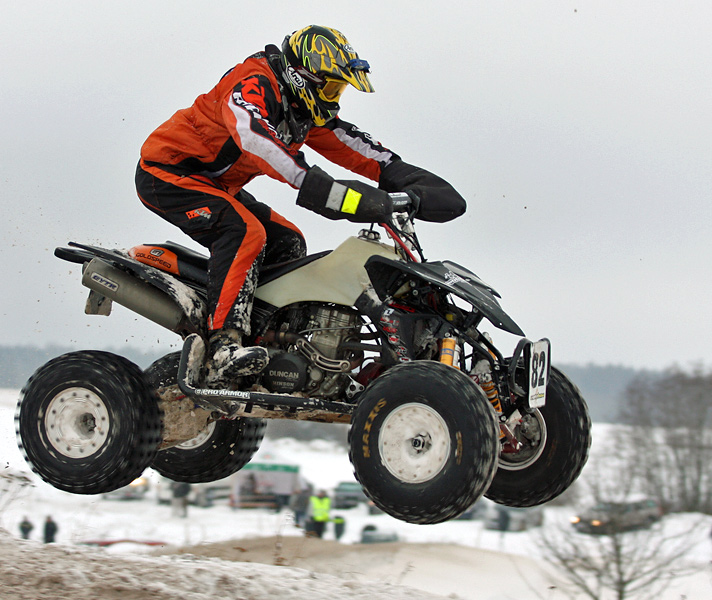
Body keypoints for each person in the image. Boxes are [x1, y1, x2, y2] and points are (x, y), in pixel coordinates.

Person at [136, 25, 465, 382]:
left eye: (340, 90)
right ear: (301, 74)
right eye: (332, 87)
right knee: (244, 232)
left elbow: (352, 145)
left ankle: (270, 345)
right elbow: (254, 136)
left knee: (289, 241)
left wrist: (405, 176)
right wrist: (317, 187)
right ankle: (223, 345)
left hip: (216, 185)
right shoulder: (254, 82)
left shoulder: (301, 109)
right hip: (167, 173)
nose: (335, 98)